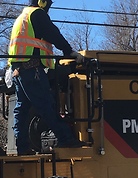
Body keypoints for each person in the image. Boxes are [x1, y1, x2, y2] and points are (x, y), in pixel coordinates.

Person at [8, 0, 87, 156]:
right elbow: (53, 34)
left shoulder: (22, 17)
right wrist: (68, 51)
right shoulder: (37, 14)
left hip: (19, 71)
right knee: (46, 104)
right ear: (42, 2)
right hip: (32, 69)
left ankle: (22, 147)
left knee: (22, 110)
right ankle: (66, 139)